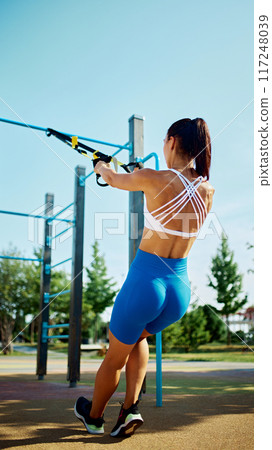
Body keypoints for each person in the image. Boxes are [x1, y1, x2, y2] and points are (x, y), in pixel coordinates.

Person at [74, 117, 215, 437]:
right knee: (138, 337)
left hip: (146, 283)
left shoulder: (154, 178)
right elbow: (166, 188)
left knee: (114, 357)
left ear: (173, 142)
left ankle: (93, 417)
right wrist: (137, 174)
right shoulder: (208, 189)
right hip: (179, 289)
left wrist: (101, 167)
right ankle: (129, 409)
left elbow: (111, 178)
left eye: (164, 142)